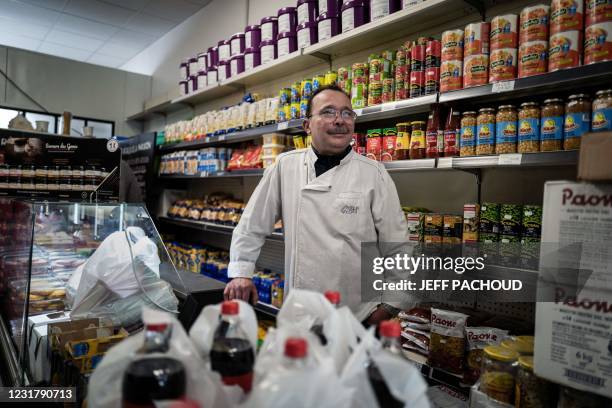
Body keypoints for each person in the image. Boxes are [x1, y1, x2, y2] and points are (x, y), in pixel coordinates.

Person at [224, 85, 409, 325]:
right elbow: (251, 225)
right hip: (300, 313)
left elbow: (398, 245)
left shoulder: (373, 172)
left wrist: (389, 306)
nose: (340, 120)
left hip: (357, 315)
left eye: (346, 113)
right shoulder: (285, 166)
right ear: (307, 125)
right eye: (328, 112)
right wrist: (241, 273)